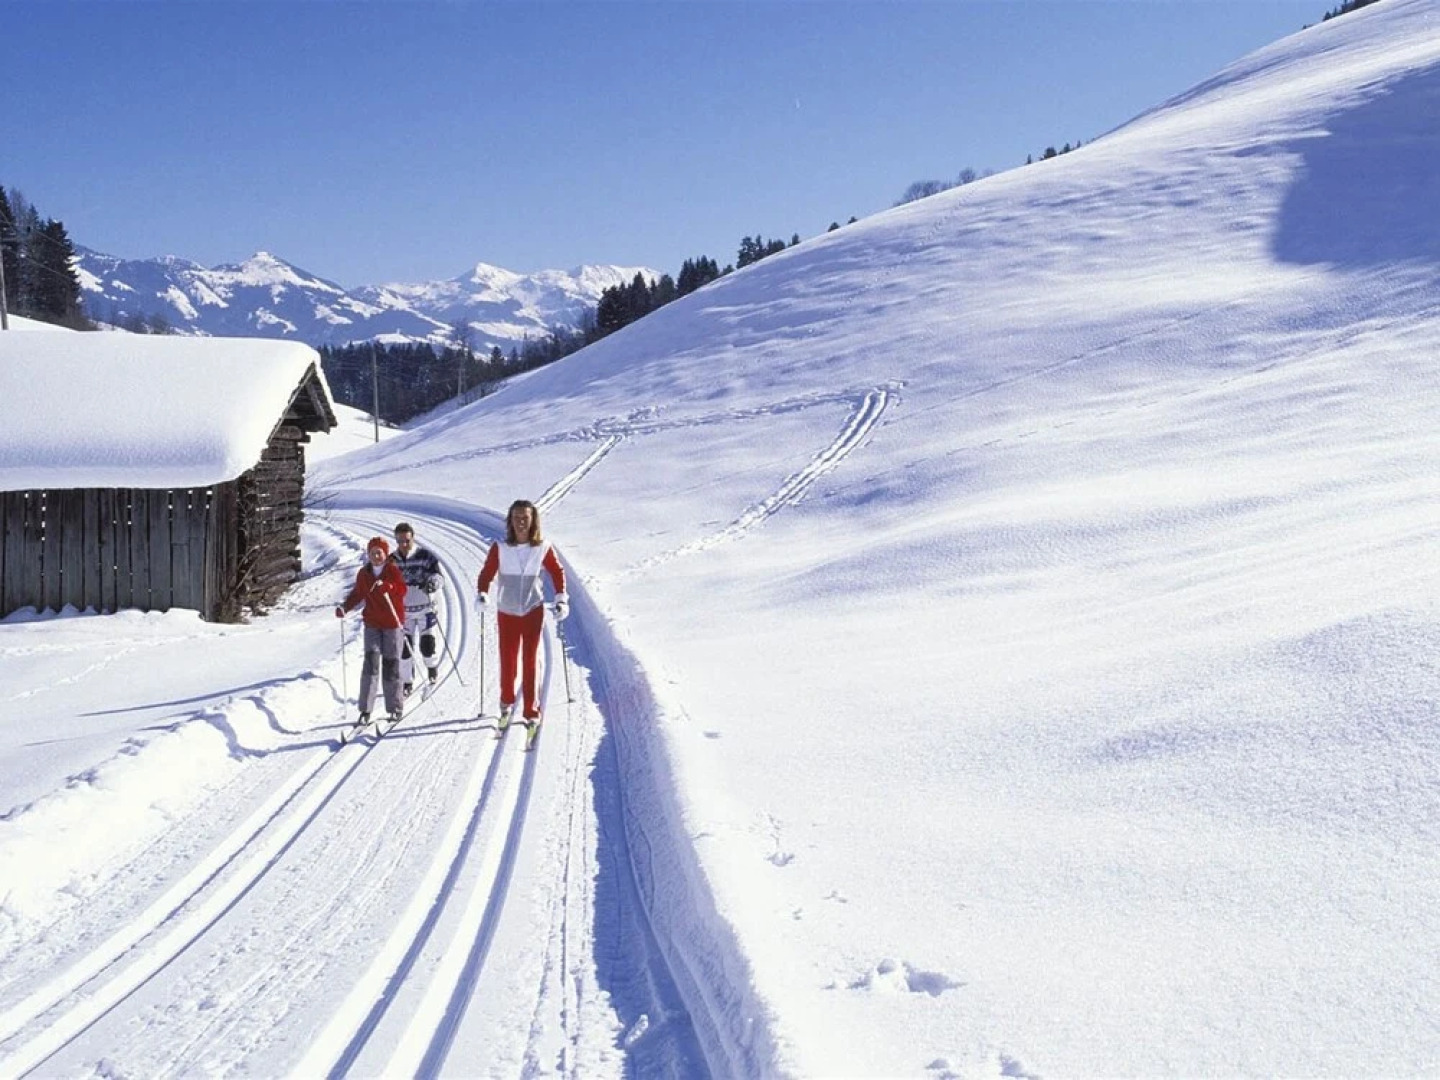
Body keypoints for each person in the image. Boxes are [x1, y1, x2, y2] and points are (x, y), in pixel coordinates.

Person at [476, 499, 569, 726]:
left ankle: (531, 710)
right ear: (510, 521)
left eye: (525, 518)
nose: (520, 522)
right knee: (507, 660)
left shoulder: (542, 547)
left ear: (533, 520)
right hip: (507, 611)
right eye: (516, 518)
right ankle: (506, 702)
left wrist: (561, 599)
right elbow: (486, 574)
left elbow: (557, 572)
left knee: (529, 660)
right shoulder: (500, 547)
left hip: (532, 610)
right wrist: (482, 593)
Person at [336, 536, 407, 725]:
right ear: (368, 554)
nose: (376, 556)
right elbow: (358, 593)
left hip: (392, 623)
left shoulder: (392, 570)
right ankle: (365, 709)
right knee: (370, 664)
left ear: (385, 554)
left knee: (391, 665)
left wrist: (389, 586)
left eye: (379, 552)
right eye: (372, 552)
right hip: (372, 624)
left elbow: (402, 589)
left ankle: (394, 708)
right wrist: (345, 607)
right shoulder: (364, 574)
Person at [391, 522, 444, 696]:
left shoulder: (425, 556)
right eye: (400, 541)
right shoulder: (392, 560)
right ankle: (407, 681)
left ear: (413, 538)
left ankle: (431, 668)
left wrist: (433, 582)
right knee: (405, 649)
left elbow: (438, 576)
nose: (404, 545)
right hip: (403, 611)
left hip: (425, 608)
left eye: (407, 540)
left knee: (427, 644)